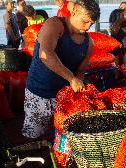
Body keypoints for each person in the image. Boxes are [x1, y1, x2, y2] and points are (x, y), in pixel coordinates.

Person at [22, 0, 100, 139]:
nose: (88, 27)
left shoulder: (89, 43)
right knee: (33, 135)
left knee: (62, 137)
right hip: (39, 92)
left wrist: (78, 86)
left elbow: (80, 71)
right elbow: (45, 54)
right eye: (85, 21)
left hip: (64, 97)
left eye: (91, 24)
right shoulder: (54, 24)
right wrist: (71, 79)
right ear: (74, 11)